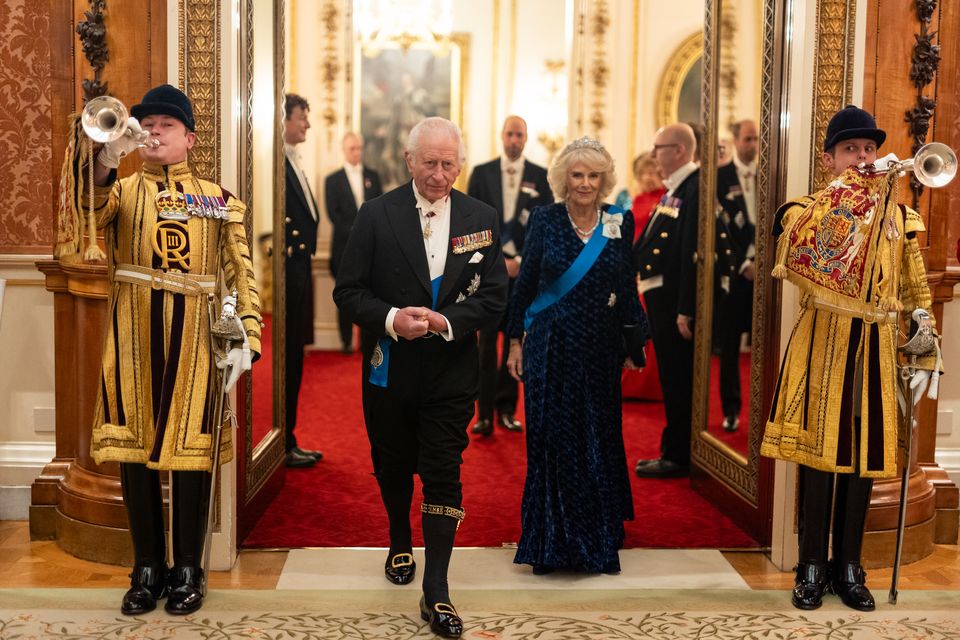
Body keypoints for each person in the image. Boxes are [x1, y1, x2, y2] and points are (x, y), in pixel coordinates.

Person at [86, 84, 261, 615]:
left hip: (196, 343)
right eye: (148, 124)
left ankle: (187, 565)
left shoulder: (218, 199)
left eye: (166, 124)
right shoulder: (123, 189)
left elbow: (237, 274)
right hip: (133, 337)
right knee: (134, 453)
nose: (154, 131)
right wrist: (104, 159)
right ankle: (146, 567)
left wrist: (243, 338)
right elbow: (84, 213)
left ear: (189, 138)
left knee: (191, 452)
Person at [762, 105, 942, 612]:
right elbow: (805, 255)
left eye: (869, 150)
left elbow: (914, 282)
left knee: (864, 461)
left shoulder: (900, 216)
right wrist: (853, 193)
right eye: (851, 151)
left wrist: (923, 325)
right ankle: (811, 565)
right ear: (828, 160)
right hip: (825, 340)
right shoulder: (802, 209)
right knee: (821, 455)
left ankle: (849, 566)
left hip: (877, 346)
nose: (863, 158)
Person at [333, 117, 507, 638]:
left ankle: (437, 590)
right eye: (428, 163)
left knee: (443, 472)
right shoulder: (375, 215)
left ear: (460, 163)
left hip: (452, 373)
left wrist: (446, 322)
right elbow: (349, 291)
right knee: (392, 464)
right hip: (391, 371)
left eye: (447, 164)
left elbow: (493, 296)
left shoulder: (482, 216)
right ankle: (397, 537)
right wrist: (392, 320)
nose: (438, 174)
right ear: (409, 161)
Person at [506, 136, 648, 574]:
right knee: (551, 439)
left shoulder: (618, 221)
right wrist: (514, 340)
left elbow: (625, 287)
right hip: (550, 346)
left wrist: (633, 344)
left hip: (599, 349)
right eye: (577, 175)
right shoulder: (546, 219)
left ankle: (596, 536)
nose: (585, 183)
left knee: (597, 437)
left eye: (593, 175)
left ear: (604, 180)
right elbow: (527, 281)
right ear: (563, 179)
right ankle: (550, 540)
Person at [466, 115, 553, 436]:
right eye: (510, 134)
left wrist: (520, 259)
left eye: (519, 135)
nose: (514, 139)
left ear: (526, 138)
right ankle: (484, 414)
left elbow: (545, 226)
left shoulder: (540, 176)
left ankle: (506, 411)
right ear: (501, 136)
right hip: (489, 272)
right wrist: (500, 258)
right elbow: (470, 221)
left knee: (515, 341)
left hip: (524, 273)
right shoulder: (482, 172)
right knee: (486, 345)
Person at [633, 123, 700, 478]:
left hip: (674, 301)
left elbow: (691, 251)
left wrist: (686, 307)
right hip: (659, 295)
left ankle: (678, 455)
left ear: (678, 150)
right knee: (672, 378)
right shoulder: (677, 188)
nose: (654, 154)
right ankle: (672, 448)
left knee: (677, 379)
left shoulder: (694, 187)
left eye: (658, 148)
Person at [282, 93, 324, 468]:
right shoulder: (277, 164)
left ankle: (288, 438)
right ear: (285, 120)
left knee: (296, 357)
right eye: (302, 118)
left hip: (301, 271)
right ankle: (283, 442)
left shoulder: (292, 161)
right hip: (286, 274)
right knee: (287, 358)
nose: (307, 124)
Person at [715, 119, 758, 432]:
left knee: (764, 342)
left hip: (765, 269)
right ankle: (731, 409)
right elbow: (720, 228)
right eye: (747, 139)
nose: (753, 145)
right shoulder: (720, 177)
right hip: (735, 269)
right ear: (735, 141)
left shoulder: (771, 172)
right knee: (729, 346)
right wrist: (743, 263)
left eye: (756, 139)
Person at [325, 131, 384, 353]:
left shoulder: (373, 176)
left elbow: (380, 208)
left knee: (372, 294)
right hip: (343, 247)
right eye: (352, 148)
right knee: (345, 294)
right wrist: (357, 233)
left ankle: (367, 340)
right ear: (344, 149)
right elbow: (334, 214)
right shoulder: (333, 180)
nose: (357, 152)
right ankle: (346, 340)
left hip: (373, 249)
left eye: (359, 148)